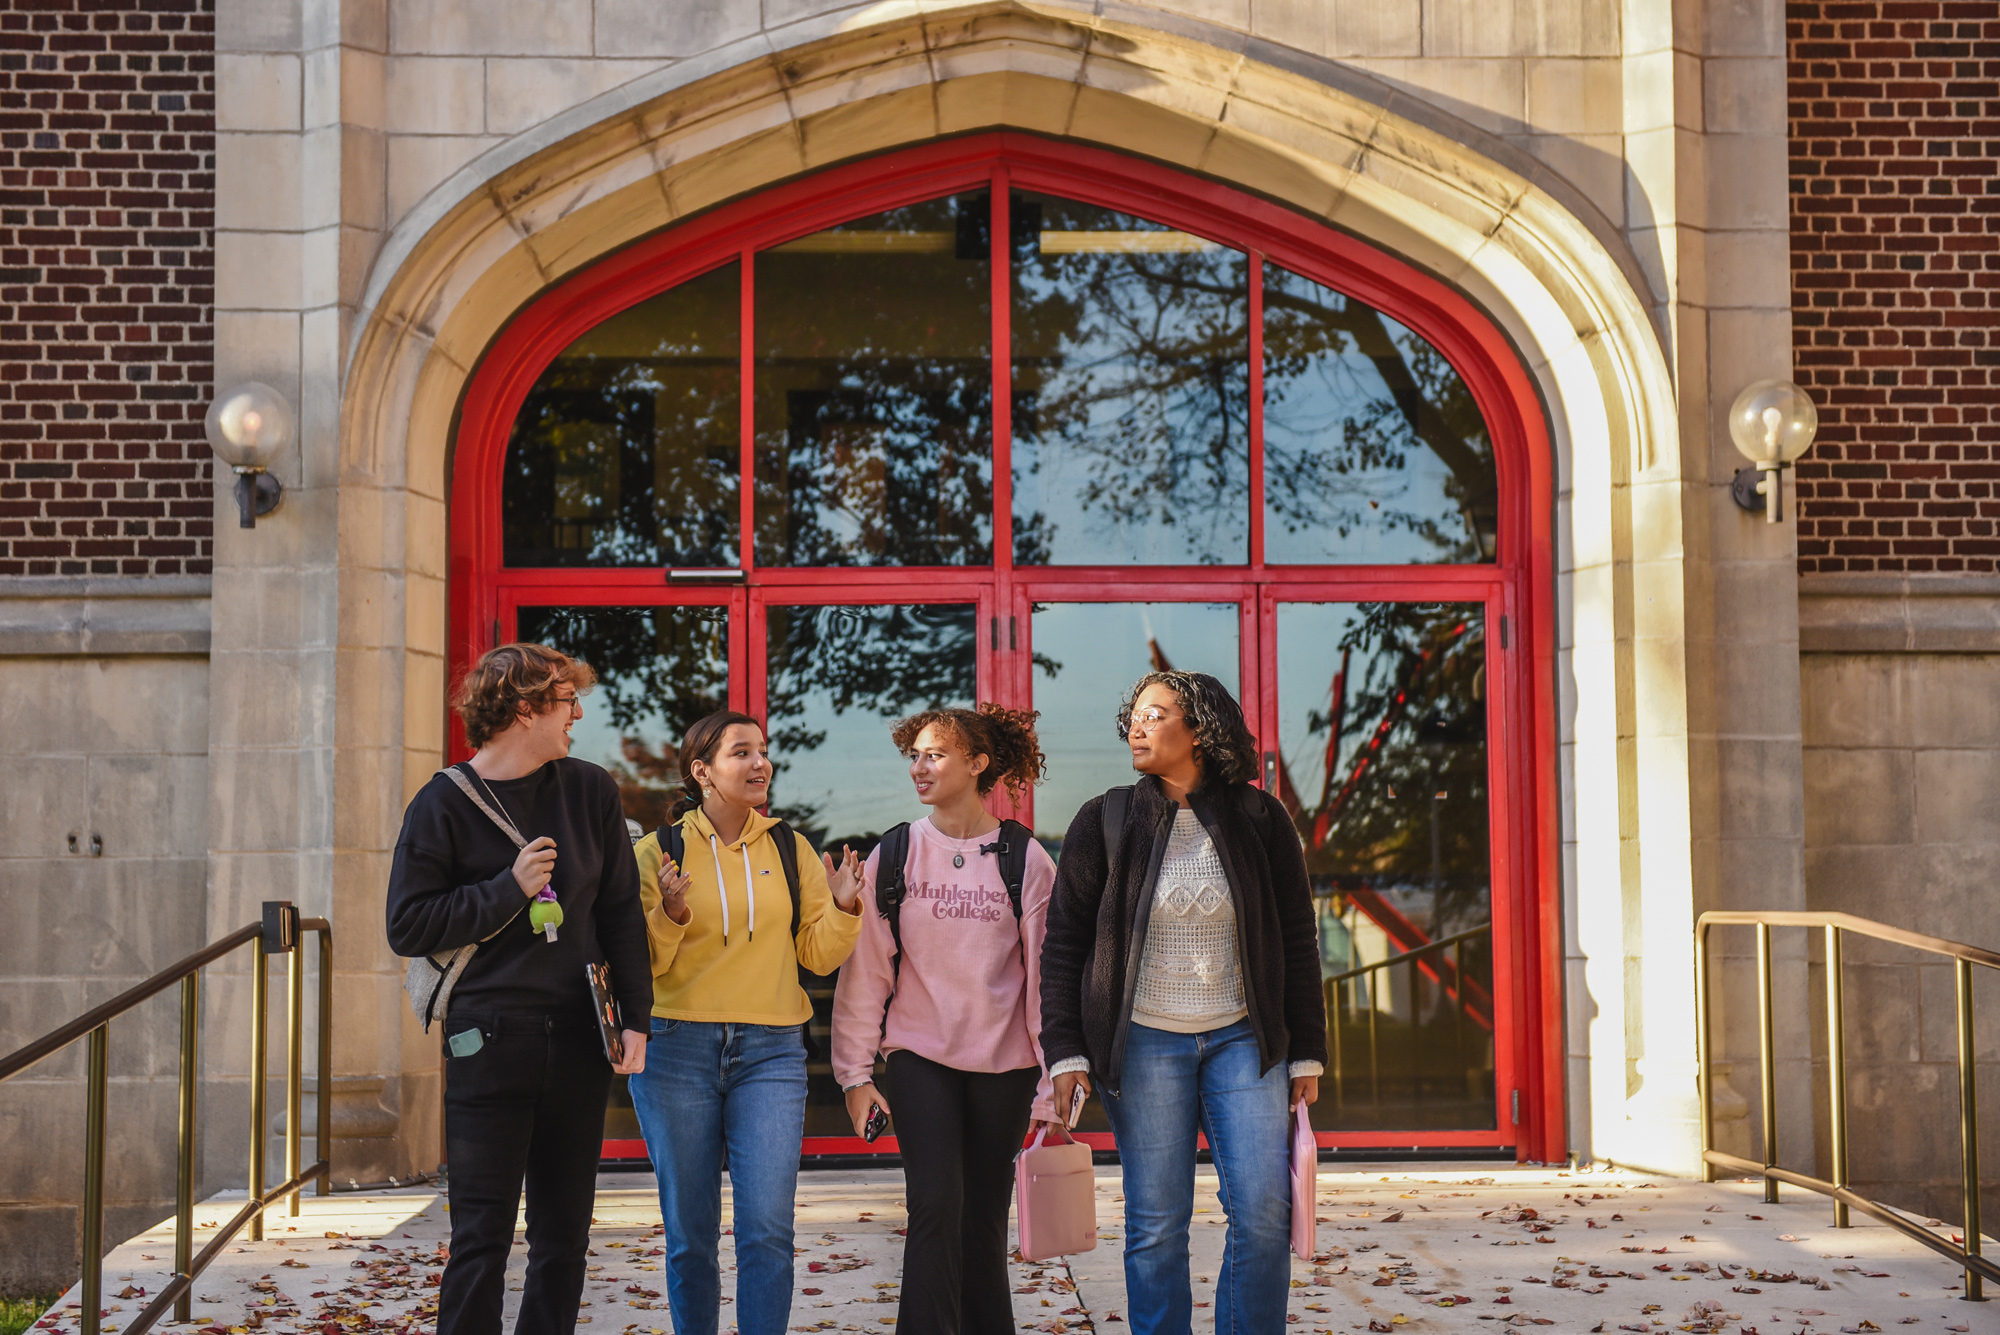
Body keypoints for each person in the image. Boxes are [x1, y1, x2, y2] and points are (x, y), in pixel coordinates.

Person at [1039, 670, 1328, 1335]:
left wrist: (1306, 1047)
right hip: (1143, 1045)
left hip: (1242, 1042)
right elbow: (1064, 945)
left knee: (1262, 1210)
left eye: (1155, 714)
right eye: (1132, 715)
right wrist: (1066, 1051)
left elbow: (1294, 934)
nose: (1136, 726)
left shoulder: (1261, 818)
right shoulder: (1104, 819)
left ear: (1198, 729)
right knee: (1157, 1225)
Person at [385, 642, 652, 1335]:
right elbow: (406, 923)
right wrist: (508, 889)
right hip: (486, 1037)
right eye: (567, 701)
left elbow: (620, 910)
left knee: (564, 1237)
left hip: (578, 1038)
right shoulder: (443, 802)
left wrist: (637, 1019)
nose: (579, 713)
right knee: (482, 1236)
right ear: (524, 708)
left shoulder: (591, 790)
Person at [627, 710, 866, 1335]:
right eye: (742, 753)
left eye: (763, 751)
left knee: (768, 1229)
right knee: (690, 1234)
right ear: (701, 771)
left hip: (771, 1050)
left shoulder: (791, 847)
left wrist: (843, 905)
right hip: (676, 1048)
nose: (760, 763)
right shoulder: (656, 853)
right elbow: (640, 965)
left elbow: (817, 955)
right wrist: (673, 913)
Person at [830, 704, 1058, 1335]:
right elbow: (867, 972)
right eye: (915, 755)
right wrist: (854, 1075)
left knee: (983, 1220)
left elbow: (1045, 982)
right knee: (935, 1205)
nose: (919, 768)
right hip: (918, 1059)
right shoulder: (896, 853)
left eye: (935, 754)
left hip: (1005, 1067)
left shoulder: (1026, 859)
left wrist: (1051, 1082)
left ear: (978, 764)